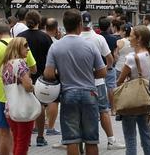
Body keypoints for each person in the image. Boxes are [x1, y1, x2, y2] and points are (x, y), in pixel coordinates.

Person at [44, 9, 106, 155]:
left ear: (64, 26)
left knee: (71, 139)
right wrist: (88, 74)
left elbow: (48, 73)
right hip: (89, 93)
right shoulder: (90, 45)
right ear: (80, 24)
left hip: (68, 94)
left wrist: (61, 73)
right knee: (91, 139)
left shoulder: (56, 46)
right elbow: (102, 71)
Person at [0, 20, 37, 155]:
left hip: (0, 96)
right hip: (20, 99)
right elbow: (34, 69)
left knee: (3, 132)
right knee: (19, 136)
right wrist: (24, 78)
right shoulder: (20, 45)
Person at [79, 12, 125, 150]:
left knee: (81, 112)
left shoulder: (76, 38)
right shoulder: (98, 39)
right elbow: (109, 58)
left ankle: (79, 140)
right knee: (103, 110)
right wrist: (105, 70)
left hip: (79, 82)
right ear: (91, 23)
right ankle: (111, 140)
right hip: (97, 81)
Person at [116, 25, 150, 155]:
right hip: (146, 100)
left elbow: (120, 80)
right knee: (146, 138)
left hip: (131, 102)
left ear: (139, 39)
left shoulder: (131, 58)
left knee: (130, 138)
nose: (129, 38)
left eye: (132, 36)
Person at [17, 10, 54, 145]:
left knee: (25, 106)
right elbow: (51, 57)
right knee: (40, 106)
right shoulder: (45, 38)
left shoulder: (20, 37)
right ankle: (40, 136)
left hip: (23, 75)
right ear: (39, 22)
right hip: (41, 77)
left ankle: (25, 138)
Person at [1, 37, 36, 155]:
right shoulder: (20, 63)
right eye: (25, 46)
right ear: (17, 47)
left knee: (17, 140)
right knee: (23, 143)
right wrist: (33, 86)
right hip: (23, 108)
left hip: (10, 107)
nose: (28, 49)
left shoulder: (5, 65)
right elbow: (27, 85)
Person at [98, 16, 120, 117]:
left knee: (98, 87)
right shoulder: (113, 38)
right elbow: (115, 54)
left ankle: (100, 109)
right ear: (109, 26)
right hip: (110, 66)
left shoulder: (97, 38)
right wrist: (113, 63)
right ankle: (113, 109)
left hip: (98, 67)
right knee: (111, 87)